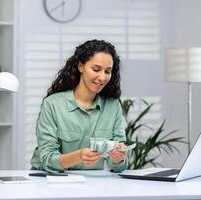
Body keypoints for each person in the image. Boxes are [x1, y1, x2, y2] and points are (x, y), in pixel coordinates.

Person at [30, 39, 128, 173]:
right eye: (96, 69)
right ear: (81, 66)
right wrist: (78, 156)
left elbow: (119, 166)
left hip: (91, 183)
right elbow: (47, 158)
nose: (102, 77)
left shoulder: (113, 106)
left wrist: (118, 159)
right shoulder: (52, 104)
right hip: (48, 179)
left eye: (107, 71)